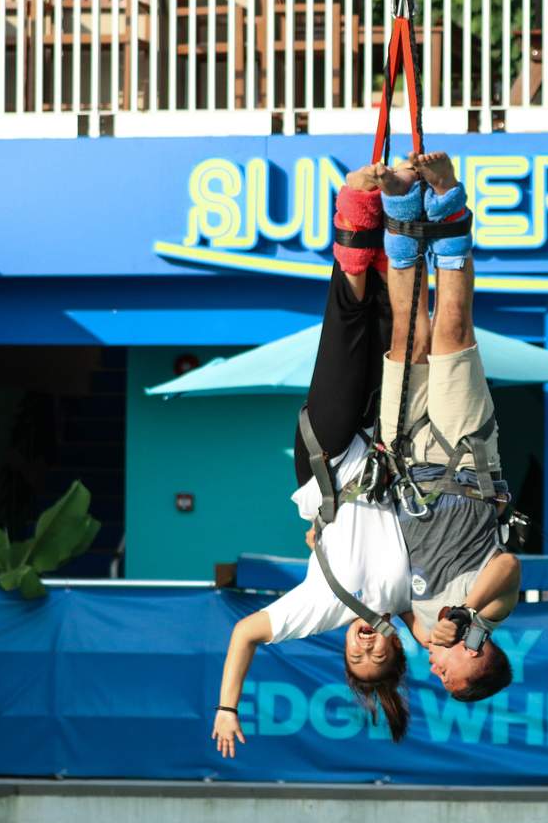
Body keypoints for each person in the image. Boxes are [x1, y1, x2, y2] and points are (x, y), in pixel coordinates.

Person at [212, 166, 413, 758]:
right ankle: (396, 212)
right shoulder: (413, 601)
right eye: (378, 654)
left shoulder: (317, 612)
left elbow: (244, 633)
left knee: (346, 336)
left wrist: (227, 707)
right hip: (382, 447)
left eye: (356, 655)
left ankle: (356, 207)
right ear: (397, 647)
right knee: (393, 325)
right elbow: (449, 635)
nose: (365, 645)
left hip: (326, 459)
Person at [370, 151, 521, 703]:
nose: (434, 670)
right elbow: (507, 564)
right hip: (466, 456)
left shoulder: (419, 632)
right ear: (475, 655)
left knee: (407, 335)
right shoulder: (494, 612)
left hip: (406, 461)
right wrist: (464, 613)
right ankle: (448, 200)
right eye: (447, 675)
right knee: (452, 329)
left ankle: (401, 211)